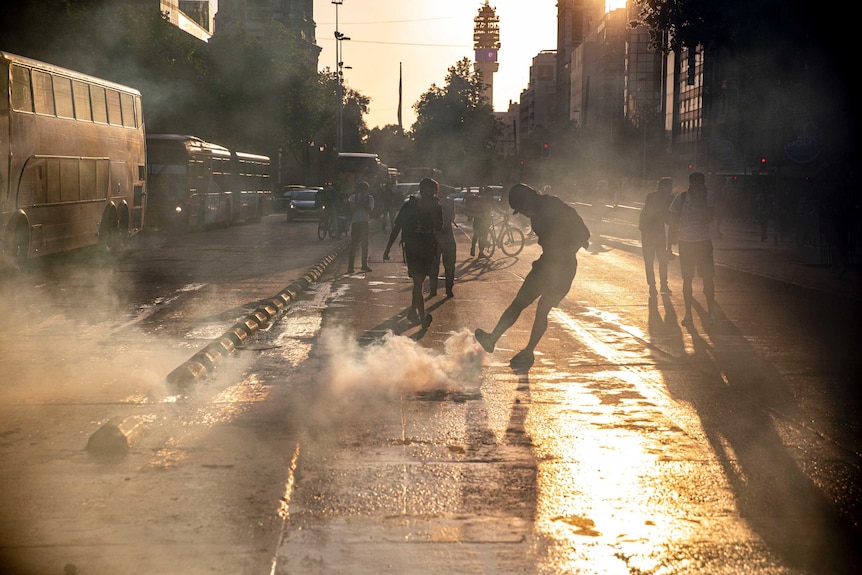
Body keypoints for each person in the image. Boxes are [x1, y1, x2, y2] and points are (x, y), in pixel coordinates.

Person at [474, 183, 590, 368]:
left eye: (521, 209)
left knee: (542, 308)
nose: (522, 214)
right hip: (547, 265)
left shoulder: (552, 206)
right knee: (520, 303)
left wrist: (571, 246)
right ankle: (493, 339)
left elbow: (581, 232)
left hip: (562, 267)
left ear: (527, 200)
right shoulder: (539, 212)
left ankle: (528, 351)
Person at [383, 178, 443, 328]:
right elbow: (439, 227)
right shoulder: (414, 206)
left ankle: (412, 311)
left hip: (420, 249)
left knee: (419, 282)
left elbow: (397, 228)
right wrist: (388, 248)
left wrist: (388, 248)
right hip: (420, 249)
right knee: (418, 283)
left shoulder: (414, 205)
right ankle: (422, 318)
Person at [668, 171, 716, 326]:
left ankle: (711, 311)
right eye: (695, 184)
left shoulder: (709, 196)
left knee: (708, 278)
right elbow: (673, 222)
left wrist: (700, 201)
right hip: (686, 242)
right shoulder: (681, 198)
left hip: (703, 242)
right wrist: (669, 246)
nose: (697, 188)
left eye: (700, 184)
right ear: (690, 184)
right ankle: (688, 313)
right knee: (687, 279)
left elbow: (708, 218)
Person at [638, 177, 674, 297]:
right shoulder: (659, 198)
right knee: (656, 260)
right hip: (651, 231)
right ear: (664, 187)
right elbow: (651, 214)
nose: (670, 189)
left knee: (656, 260)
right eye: (669, 186)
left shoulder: (663, 198)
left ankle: (659, 284)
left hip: (655, 232)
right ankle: (656, 285)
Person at [432, 185, 457, 298]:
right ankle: (449, 289)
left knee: (434, 266)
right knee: (450, 266)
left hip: (434, 239)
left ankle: (433, 290)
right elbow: (452, 217)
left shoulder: (433, 203)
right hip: (448, 238)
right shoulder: (450, 203)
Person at [347, 181, 374, 273]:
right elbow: (352, 210)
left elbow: (369, 210)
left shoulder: (370, 198)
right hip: (356, 223)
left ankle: (364, 265)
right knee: (354, 245)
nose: (363, 192)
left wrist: (364, 203)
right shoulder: (353, 198)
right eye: (361, 189)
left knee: (364, 245)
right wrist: (358, 202)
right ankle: (350, 267)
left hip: (364, 222)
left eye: (364, 190)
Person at [469, 186, 496, 257]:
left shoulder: (479, 198)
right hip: (485, 220)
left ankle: (473, 248)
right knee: (483, 236)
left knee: (476, 235)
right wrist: (503, 213)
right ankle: (481, 252)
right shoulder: (490, 199)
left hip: (477, 219)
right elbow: (496, 208)